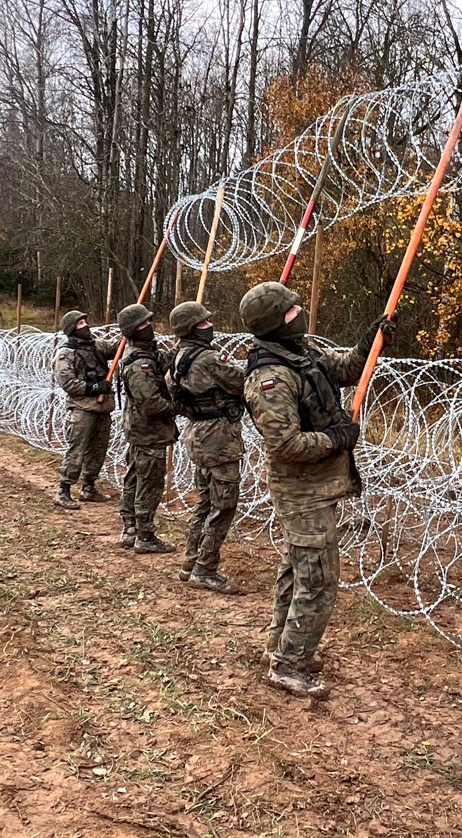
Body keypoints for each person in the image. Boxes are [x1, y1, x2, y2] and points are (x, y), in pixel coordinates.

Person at [239, 281, 395, 698]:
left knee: (298, 569)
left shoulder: (299, 353)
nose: (299, 314)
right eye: (290, 312)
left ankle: (281, 646)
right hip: (301, 491)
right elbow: (285, 444)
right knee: (319, 579)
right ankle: (291, 665)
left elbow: (341, 369)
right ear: (274, 323)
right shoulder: (270, 378)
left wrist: (368, 345)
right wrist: (337, 440)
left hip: (319, 486)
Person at [165, 301, 246, 593]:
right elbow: (242, 380)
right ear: (191, 329)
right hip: (218, 439)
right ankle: (205, 568)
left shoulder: (178, 357)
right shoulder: (208, 359)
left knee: (205, 502)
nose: (209, 326)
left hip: (198, 434)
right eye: (203, 323)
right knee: (223, 504)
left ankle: (190, 561)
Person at [116, 303, 178, 554]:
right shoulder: (138, 364)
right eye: (143, 325)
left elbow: (162, 362)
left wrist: (181, 348)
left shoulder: (144, 354)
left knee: (135, 475)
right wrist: (177, 407)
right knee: (150, 482)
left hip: (140, 429)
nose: (149, 328)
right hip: (148, 430)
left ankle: (130, 526)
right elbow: (152, 404)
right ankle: (144, 534)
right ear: (133, 330)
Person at [53, 310, 117, 508]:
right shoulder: (66, 353)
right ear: (72, 329)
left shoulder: (96, 346)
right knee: (77, 450)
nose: (85, 326)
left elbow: (117, 349)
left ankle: (89, 488)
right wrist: (95, 387)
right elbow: (68, 383)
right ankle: (63, 490)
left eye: (85, 322)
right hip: (82, 409)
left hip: (103, 408)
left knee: (98, 450)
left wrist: (129, 332)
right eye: (80, 323)